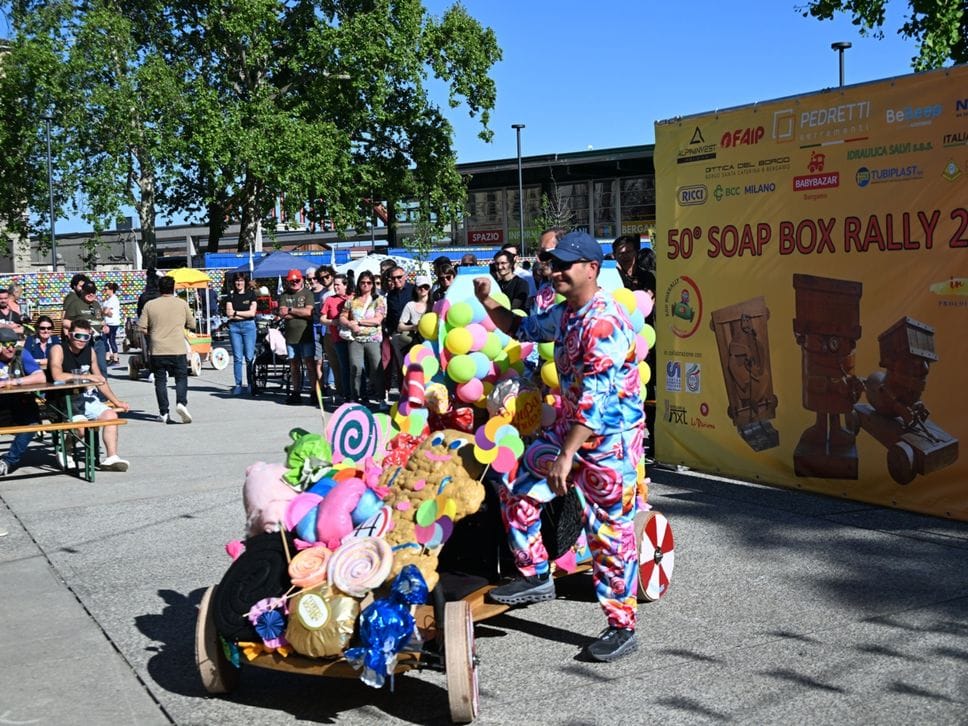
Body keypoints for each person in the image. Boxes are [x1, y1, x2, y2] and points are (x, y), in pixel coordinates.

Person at [473, 230, 645, 662]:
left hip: (609, 441)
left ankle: (622, 627)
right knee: (514, 481)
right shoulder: (567, 310)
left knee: (608, 534)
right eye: (553, 263)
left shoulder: (603, 320)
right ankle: (535, 574)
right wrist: (487, 301)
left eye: (565, 264)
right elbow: (523, 328)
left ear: (592, 269)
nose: (555, 271)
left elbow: (597, 400)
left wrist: (567, 455)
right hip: (571, 431)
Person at [49, 318, 131, 471]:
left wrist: (116, 402)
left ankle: (111, 457)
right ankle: (65, 449)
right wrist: (86, 377)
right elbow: (57, 375)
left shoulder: (90, 351)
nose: (81, 340)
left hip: (84, 398)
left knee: (111, 416)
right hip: (63, 399)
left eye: (86, 337)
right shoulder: (58, 349)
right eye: (77, 336)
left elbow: (100, 380)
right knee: (81, 428)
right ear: (69, 334)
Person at [138, 275, 196, 423]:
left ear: (159, 288)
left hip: (158, 349)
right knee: (181, 377)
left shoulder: (150, 305)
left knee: (160, 381)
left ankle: (164, 412)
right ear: (173, 288)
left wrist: (153, 332)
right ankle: (181, 403)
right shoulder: (181, 304)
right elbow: (192, 324)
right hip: (177, 347)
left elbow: (141, 327)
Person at [0, 327, 46, 477]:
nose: (11, 348)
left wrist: (14, 381)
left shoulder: (21, 354)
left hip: (20, 403)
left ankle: (7, 461)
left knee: (32, 425)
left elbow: (40, 377)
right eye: (6, 344)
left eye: (13, 343)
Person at [339, 271, 386, 407]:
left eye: (369, 283)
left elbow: (378, 320)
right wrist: (349, 324)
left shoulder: (378, 300)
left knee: (376, 368)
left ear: (372, 285)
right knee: (356, 368)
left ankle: (381, 398)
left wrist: (358, 322)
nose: (365, 285)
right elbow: (342, 316)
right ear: (358, 283)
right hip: (355, 339)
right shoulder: (351, 300)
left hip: (373, 338)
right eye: (363, 282)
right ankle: (356, 397)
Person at [278, 268, 317, 405]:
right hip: (291, 337)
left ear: (302, 280)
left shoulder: (308, 294)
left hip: (306, 335)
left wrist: (291, 310)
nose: (294, 283)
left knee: (310, 364)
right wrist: (297, 312)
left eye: (297, 280)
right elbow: (282, 314)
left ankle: (314, 392)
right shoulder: (284, 296)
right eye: (292, 281)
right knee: (294, 365)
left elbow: (308, 312)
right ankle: (296, 392)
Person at [63, 281, 109, 376]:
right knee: (85, 369)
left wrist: (104, 327)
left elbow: (100, 320)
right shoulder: (75, 304)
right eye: (88, 291)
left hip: (98, 340)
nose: (91, 294)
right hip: (83, 340)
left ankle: (102, 389)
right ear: (83, 291)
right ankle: (89, 389)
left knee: (102, 369)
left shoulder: (96, 304)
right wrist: (81, 329)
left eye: (93, 291)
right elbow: (65, 322)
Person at [382, 266, 414, 396]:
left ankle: (414, 393)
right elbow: (390, 316)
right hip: (397, 335)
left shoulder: (413, 290)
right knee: (401, 367)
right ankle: (403, 395)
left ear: (405, 276)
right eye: (393, 278)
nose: (396, 280)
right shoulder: (390, 295)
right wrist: (390, 333)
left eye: (399, 277)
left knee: (413, 366)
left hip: (413, 334)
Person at [224, 272, 258, 395]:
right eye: (237, 281)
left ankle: (250, 383)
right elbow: (228, 313)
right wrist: (239, 313)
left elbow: (252, 313)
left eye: (241, 280)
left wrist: (235, 312)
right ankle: (238, 384)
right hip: (234, 328)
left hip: (249, 326)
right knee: (238, 357)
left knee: (249, 357)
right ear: (234, 283)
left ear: (245, 282)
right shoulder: (231, 296)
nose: (239, 283)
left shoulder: (251, 294)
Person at [319, 273, 351, 402]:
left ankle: (357, 391)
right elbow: (322, 318)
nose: (336, 287)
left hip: (353, 337)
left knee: (355, 366)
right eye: (335, 285)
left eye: (338, 285)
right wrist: (333, 322)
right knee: (342, 366)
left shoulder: (351, 298)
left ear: (345, 285)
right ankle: (345, 393)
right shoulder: (329, 300)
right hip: (337, 338)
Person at [392, 274, 431, 362]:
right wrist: (413, 327)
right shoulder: (410, 305)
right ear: (416, 289)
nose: (423, 289)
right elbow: (400, 326)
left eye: (426, 287)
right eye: (420, 287)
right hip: (415, 342)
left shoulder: (435, 304)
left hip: (431, 342)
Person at [101, 282, 122, 365]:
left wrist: (104, 311)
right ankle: (110, 357)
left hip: (112, 322)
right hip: (108, 322)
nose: (104, 291)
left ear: (111, 290)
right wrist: (105, 312)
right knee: (106, 340)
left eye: (106, 289)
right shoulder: (108, 299)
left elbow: (105, 311)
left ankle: (113, 357)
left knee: (110, 339)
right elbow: (106, 312)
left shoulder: (113, 299)